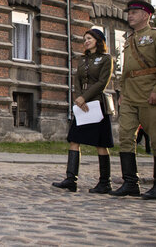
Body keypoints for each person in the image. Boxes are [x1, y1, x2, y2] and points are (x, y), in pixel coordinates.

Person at [110, 0, 156, 200]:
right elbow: (127, 71)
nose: (129, 15)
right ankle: (130, 183)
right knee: (125, 136)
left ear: (146, 14)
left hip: (151, 95)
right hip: (131, 95)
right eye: (129, 12)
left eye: (134, 12)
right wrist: (122, 92)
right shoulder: (129, 39)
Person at [52, 29, 114, 193]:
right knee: (74, 139)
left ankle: (105, 182)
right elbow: (77, 80)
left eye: (89, 38)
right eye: (84, 39)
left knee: (101, 143)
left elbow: (102, 82)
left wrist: (85, 97)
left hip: (96, 104)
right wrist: (78, 98)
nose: (86, 41)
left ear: (98, 40)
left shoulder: (106, 59)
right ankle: (71, 179)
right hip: (81, 105)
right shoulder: (83, 59)